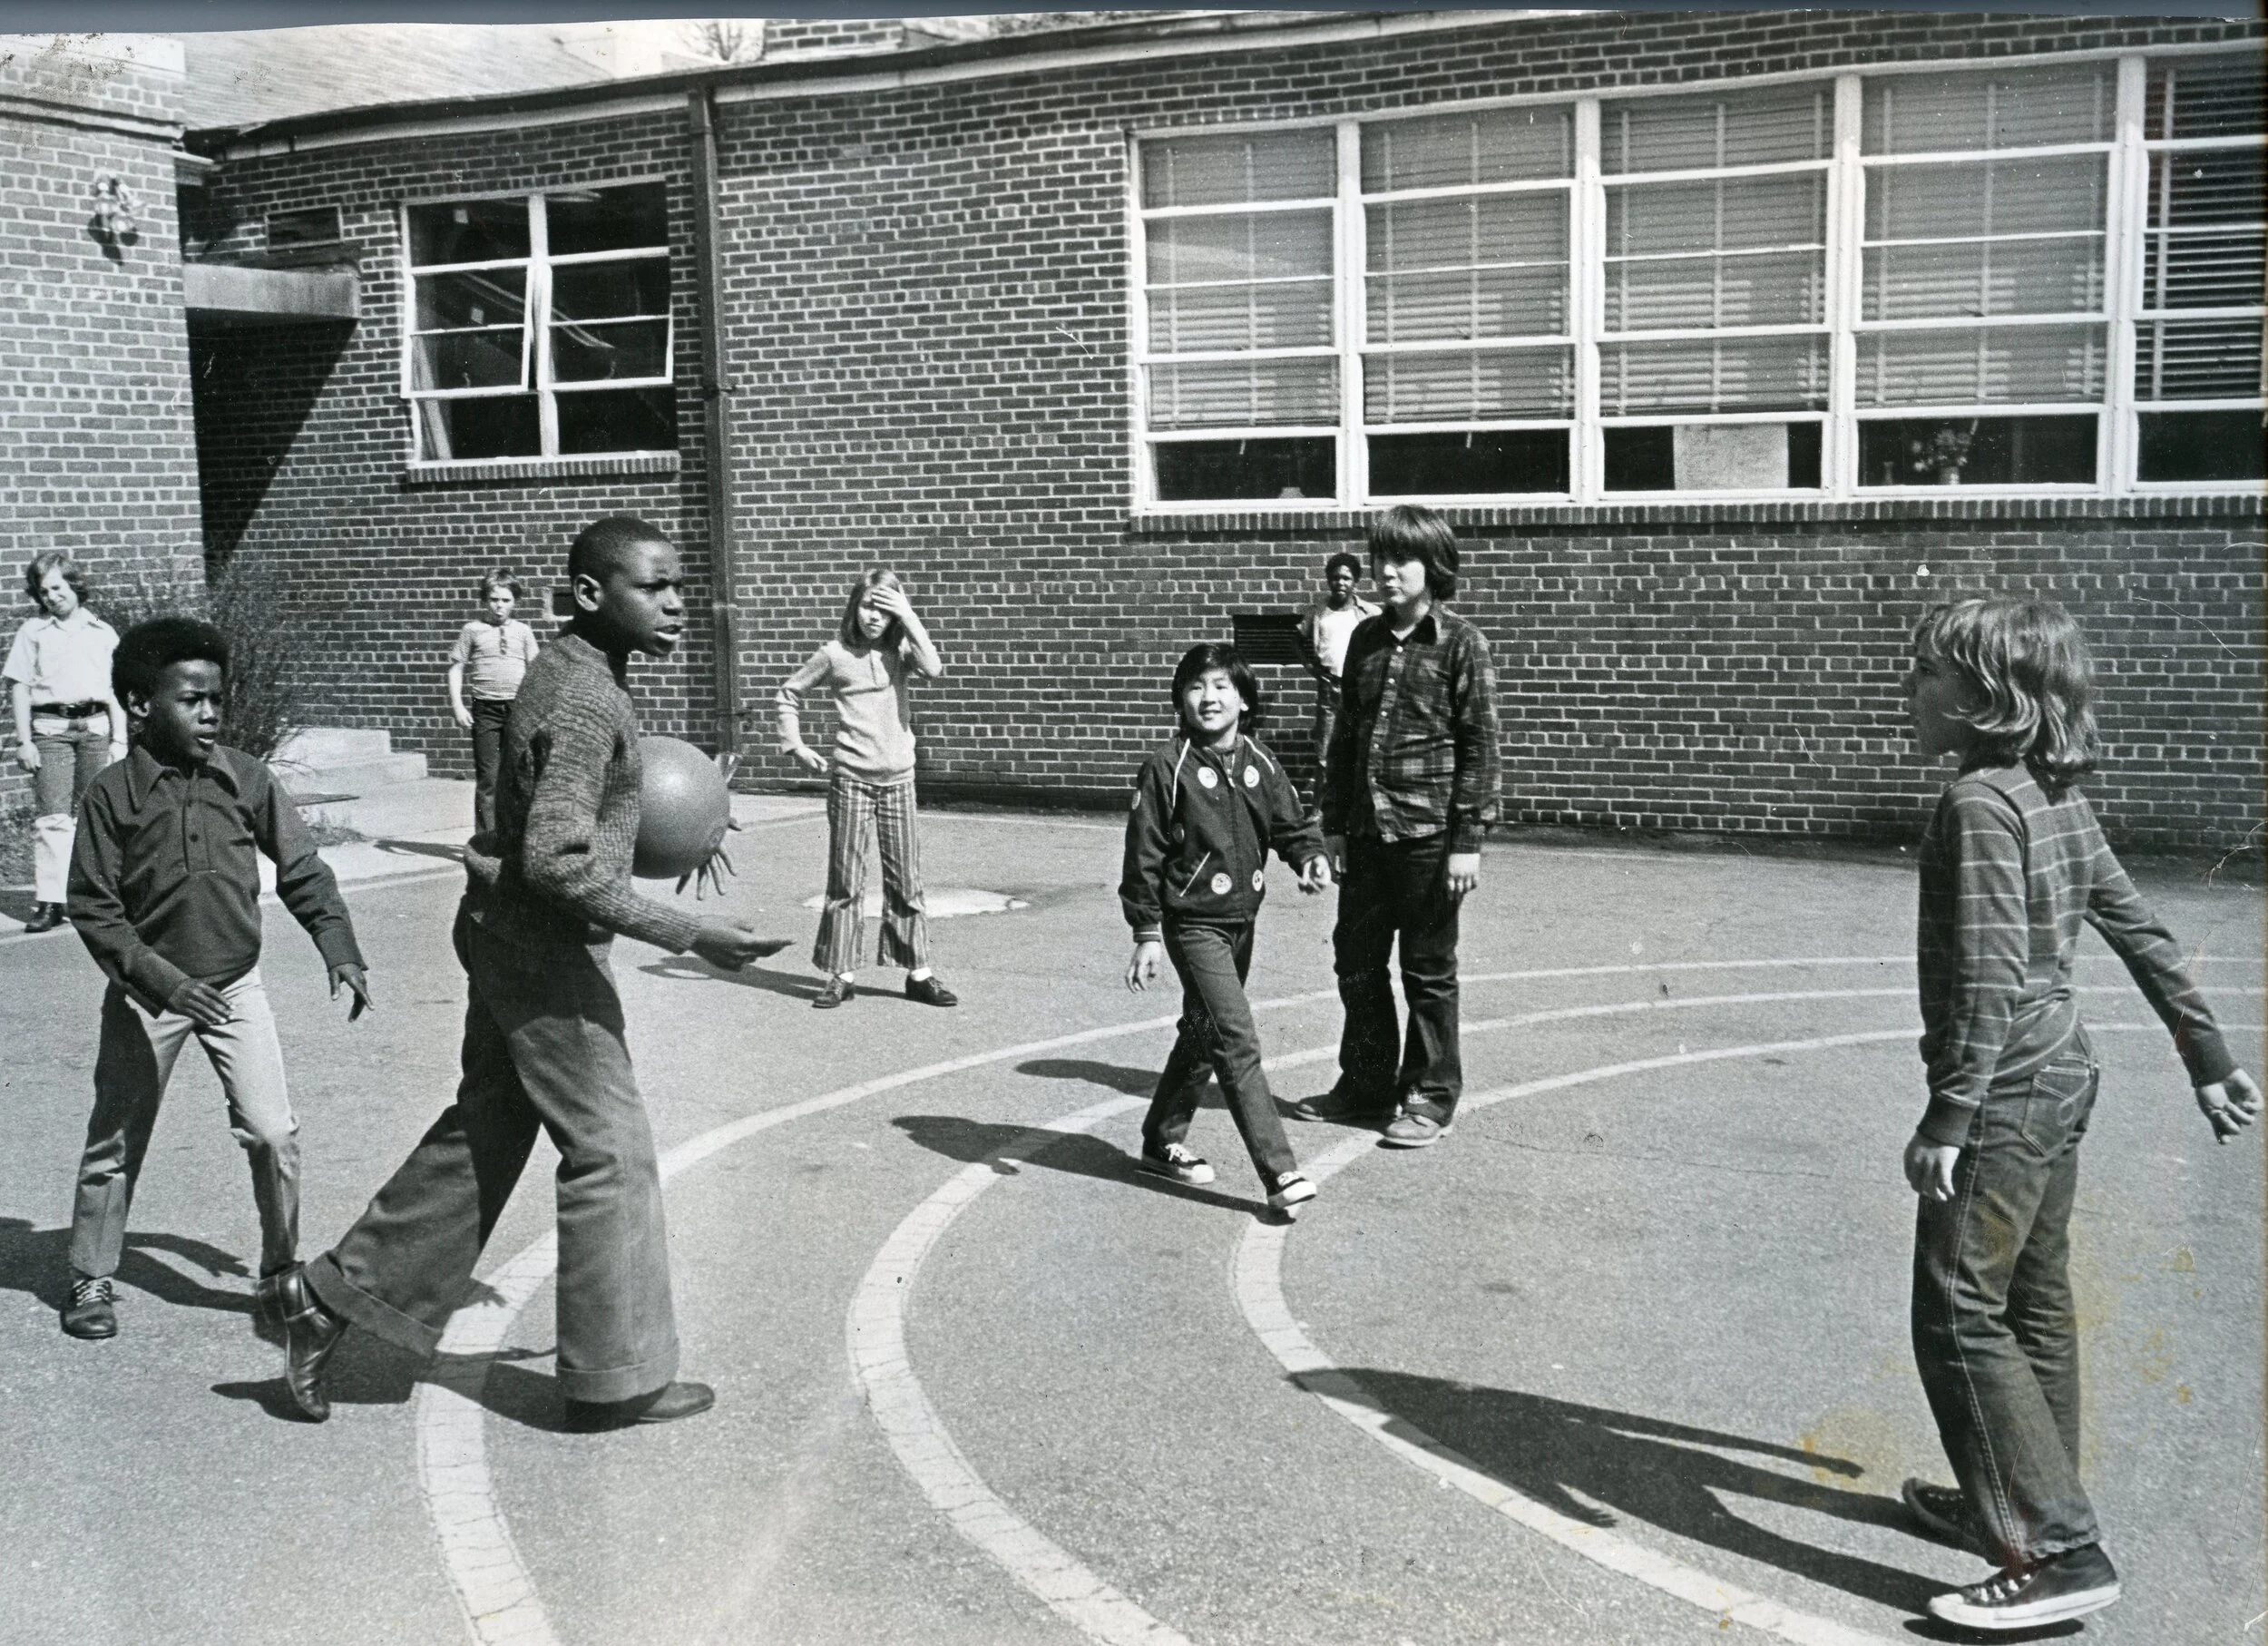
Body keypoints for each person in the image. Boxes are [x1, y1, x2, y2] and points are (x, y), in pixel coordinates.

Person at [259, 516, 782, 1428]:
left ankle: (328, 1296)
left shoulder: (572, 673)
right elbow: (557, 862)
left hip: (501, 929)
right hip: (543, 949)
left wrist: (669, 834)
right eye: (652, 586)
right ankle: (612, 1381)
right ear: (590, 594)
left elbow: (583, 825)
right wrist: (690, 931)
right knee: (611, 1151)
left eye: (676, 587)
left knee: (487, 1131)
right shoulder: (586, 699)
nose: (672, 604)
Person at [1896, 596, 2260, 1632]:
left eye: (1925, 671)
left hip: (2009, 1081)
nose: (1907, 688)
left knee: (1958, 1306)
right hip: (2062, 1070)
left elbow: (1987, 979)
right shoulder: (2047, 791)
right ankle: (2007, 1507)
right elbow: (2139, 926)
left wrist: (1948, 1118)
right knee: (2031, 1297)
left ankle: (2054, 1546)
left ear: (1983, 697)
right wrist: (2207, 1052)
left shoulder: (1977, 803)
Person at [61, 616, 372, 1341]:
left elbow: (302, 867)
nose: (209, 713)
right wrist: (163, 983)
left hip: (234, 986)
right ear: (140, 705)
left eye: (217, 701)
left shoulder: (245, 777)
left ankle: (279, 1270)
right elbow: (94, 907)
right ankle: (90, 1274)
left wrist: (339, 946)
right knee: (115, 1138)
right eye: (191, 699)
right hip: (150, 996)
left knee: (272, 1133)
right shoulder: (112, 796)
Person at [1291, 505, 1500, 1149]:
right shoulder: (1366, 640)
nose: (1384, 573)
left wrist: (1467, 842)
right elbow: (1348, 739)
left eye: (1399, 561)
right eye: (1379, 559)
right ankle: (1368, 1083)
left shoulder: (1461, 643)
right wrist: (1331, 824)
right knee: (1356, 959)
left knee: (1428, 970)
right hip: (1366, 834)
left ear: (1433, 567)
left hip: (1429, 838)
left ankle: (1431, 1096)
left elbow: (1481, 746)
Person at [1121, 643, 1332, 1215]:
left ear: (1243, 699)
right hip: (1194, 927)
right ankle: (1280, 1172)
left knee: (1202, 1032)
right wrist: (1145, 932)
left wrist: (1309, 854)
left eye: (1220, 686)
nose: (1208, 698)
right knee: (1235, 1036)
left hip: (1243, 922)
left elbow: (1291, 823)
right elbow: (1142, 858)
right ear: (1179, 700)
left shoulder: (1259, 762)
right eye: (1195, 687)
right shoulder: (1167, 769)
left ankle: (1161, 1138)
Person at [777, 568, 955, 1010]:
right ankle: (842, 974)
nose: (873, 616)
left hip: (899, 781)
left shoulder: (902, 652)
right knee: (845, 881)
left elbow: (934, 668)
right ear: (853, 607)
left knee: (906, 882)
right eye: (866, 605)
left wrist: (908, 616)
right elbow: (789, 693)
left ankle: (919, 973)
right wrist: (794, 744)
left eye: (883, 608)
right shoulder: (835, 654)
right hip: (851, 781)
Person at [6, 552, 125, 934]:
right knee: (53, 818)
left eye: (57, 587)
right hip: (51, 731)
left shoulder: (102, 633)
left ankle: (98, 896)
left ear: (74, 585)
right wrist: (25, 741)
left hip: (95, 729)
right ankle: (51, 901)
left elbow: (115, 692)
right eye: (43, 592)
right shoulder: (33, 633)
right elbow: (19, 688)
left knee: (96, 817)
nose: (51, 597)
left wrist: (119, 740)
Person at [446, 568, 540, 837]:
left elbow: (535, 672)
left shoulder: (523, 631)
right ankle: (486, 840)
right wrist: (458, 706)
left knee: (519, 776)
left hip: (518, 710)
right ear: (485, 600)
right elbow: (456, 669)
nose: (499, 606)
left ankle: (517, 838)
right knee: (489, 778)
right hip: (485, 710)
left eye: (506, 600)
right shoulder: (472, 630)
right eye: (494, 599)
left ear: (515, 602)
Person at [1294, 551, 1378, 813]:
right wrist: (1309, 664)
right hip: (1330, 689)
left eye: (1346, 578)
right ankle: (1320, 813)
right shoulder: (1320, 611)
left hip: (1360, 690)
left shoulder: (1369, 613)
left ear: (1356, 582)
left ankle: (1361, 809)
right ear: (1328, 580)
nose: (1340, 583)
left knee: (1362, 748)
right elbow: (1296, 638)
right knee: (1325, 755)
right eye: (1335, 578)